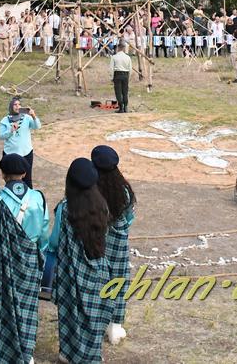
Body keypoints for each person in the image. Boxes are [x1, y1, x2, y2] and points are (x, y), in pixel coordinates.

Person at [0, 153, 50, 364]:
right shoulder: (38, 198)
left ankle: (7, 355)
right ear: (25, 173)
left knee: (5, 308)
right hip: (30, 260)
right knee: (28, 308)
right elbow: (44, 233)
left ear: (2, 174)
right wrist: (40, 255)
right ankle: (27, 354)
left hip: (2, 262)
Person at [48, 158, 112, 364]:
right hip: (97, 269)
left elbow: (54, 241)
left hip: (70, 271)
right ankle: (93, 353)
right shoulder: (102, 205)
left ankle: (68, 353)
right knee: (94, 313)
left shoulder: (65, 208)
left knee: (69, 312)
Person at [92, 145, 136, 346]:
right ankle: (115, 325)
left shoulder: (90, 189)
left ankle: (96, 318)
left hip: (96, 240)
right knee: (118, 280)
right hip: (118, 242)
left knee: (96, 279)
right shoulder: (124, 190)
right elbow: (129, 218)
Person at [0, 97, 40, 187]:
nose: (18, 106)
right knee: (10, 178)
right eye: (15, 104)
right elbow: (1, 136)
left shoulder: (27, 118)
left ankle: (28, 195)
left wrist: (33, 116)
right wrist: (10, 130)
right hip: (10, 154)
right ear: (11, 107)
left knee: (27, 179)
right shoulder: (4, 121)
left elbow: (37, 126)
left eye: (19, 104)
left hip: (26, 153)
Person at [109, 43, 132, 113]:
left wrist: (111, 77)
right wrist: (129, 77)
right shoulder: (128, 57)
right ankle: (125, 107)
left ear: (118, 48)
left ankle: (121, 107)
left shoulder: (114, 57)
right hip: (126, 74)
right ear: (124, 48)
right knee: (125, 91)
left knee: (118, 91)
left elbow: (111, 68)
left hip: (117, 74)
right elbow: (130, 68)